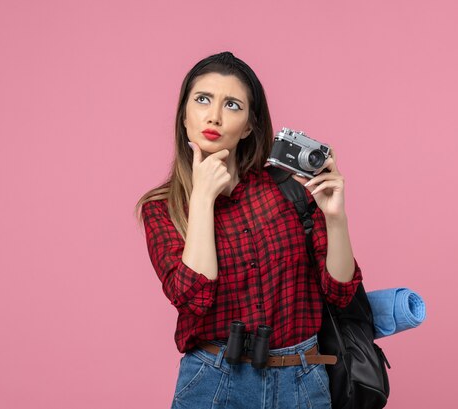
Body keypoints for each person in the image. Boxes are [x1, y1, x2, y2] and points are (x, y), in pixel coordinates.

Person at [135, 51, 362, 409]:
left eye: (233, 105)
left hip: (301, 381)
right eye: (203, 99)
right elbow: (194, 296)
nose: (214, 115)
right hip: (213, 380)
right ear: (183, 114)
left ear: (250, 125)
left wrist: (336, 217)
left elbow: (339, 292)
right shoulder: (162, 208)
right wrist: (203, 199)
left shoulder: (288, 188)